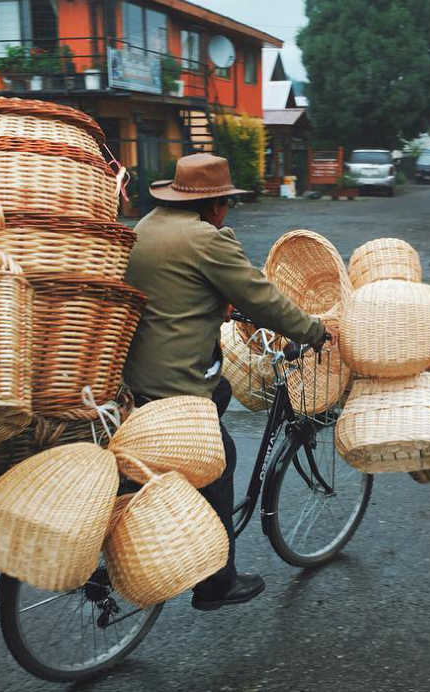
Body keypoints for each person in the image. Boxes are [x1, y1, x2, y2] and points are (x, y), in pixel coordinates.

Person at [122, 153, 331, 612]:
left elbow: (175, 290)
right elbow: (261, 296)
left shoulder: (147, 227)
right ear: (215, 205)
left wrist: (219, 305)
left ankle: (185, 522)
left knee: (221, 392)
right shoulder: (205, 239)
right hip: (172, 380)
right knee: (218, 458)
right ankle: (217, 582)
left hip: (129, 373)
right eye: (226, 205)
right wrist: (314, 331)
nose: (226, 213)